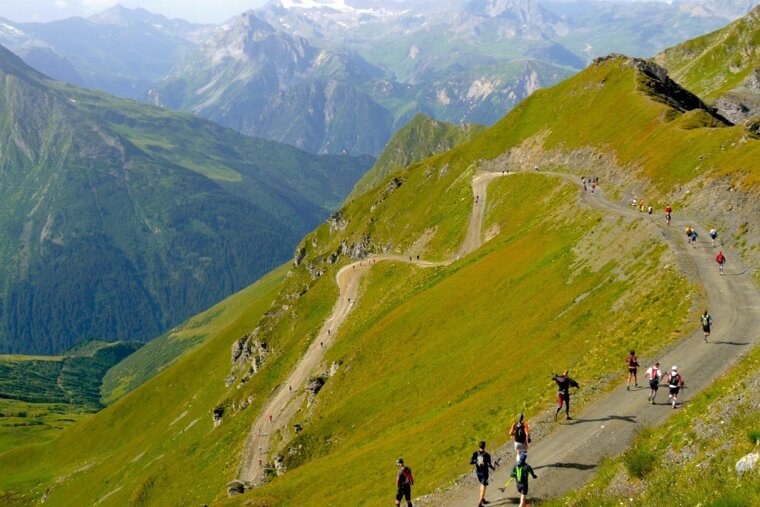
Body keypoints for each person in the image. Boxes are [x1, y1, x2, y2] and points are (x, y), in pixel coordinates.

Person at [470, 441, 496, 507]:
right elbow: (489, 464)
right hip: (484, 473)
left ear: (479, 446)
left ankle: (483, 499)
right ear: (484, 446)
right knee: (483, 486)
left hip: (478, 473)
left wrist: (476, 461)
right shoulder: (487, 455)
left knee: (481, 484)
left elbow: (471, 462)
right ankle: (480, 502)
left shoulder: (475, 453)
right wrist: (493, 468)